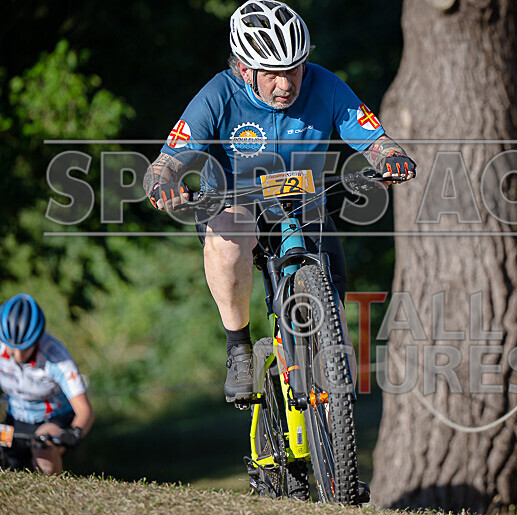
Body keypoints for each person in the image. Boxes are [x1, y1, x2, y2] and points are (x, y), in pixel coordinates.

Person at [143, 0, 416, 403]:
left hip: (304, 206)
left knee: (333, 319)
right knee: (228, 236)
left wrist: (389, 157)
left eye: (294, 68)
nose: (286, 84)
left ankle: (331, 433)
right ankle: (238, 348)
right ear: (244, 68)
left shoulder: (325, 85)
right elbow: (165, 162)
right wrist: (164, 184)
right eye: (272, 72)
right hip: (236, 206)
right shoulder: (218, 94)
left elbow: (374, 138)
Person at [0, 294, 94, 475]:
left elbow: (85, 411)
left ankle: (51, 493)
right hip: (16, 419)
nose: (19, 357)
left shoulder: (57, 357)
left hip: (53, 418)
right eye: (13, 348)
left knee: (44, 448)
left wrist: (75, 432)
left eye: (26, 348)